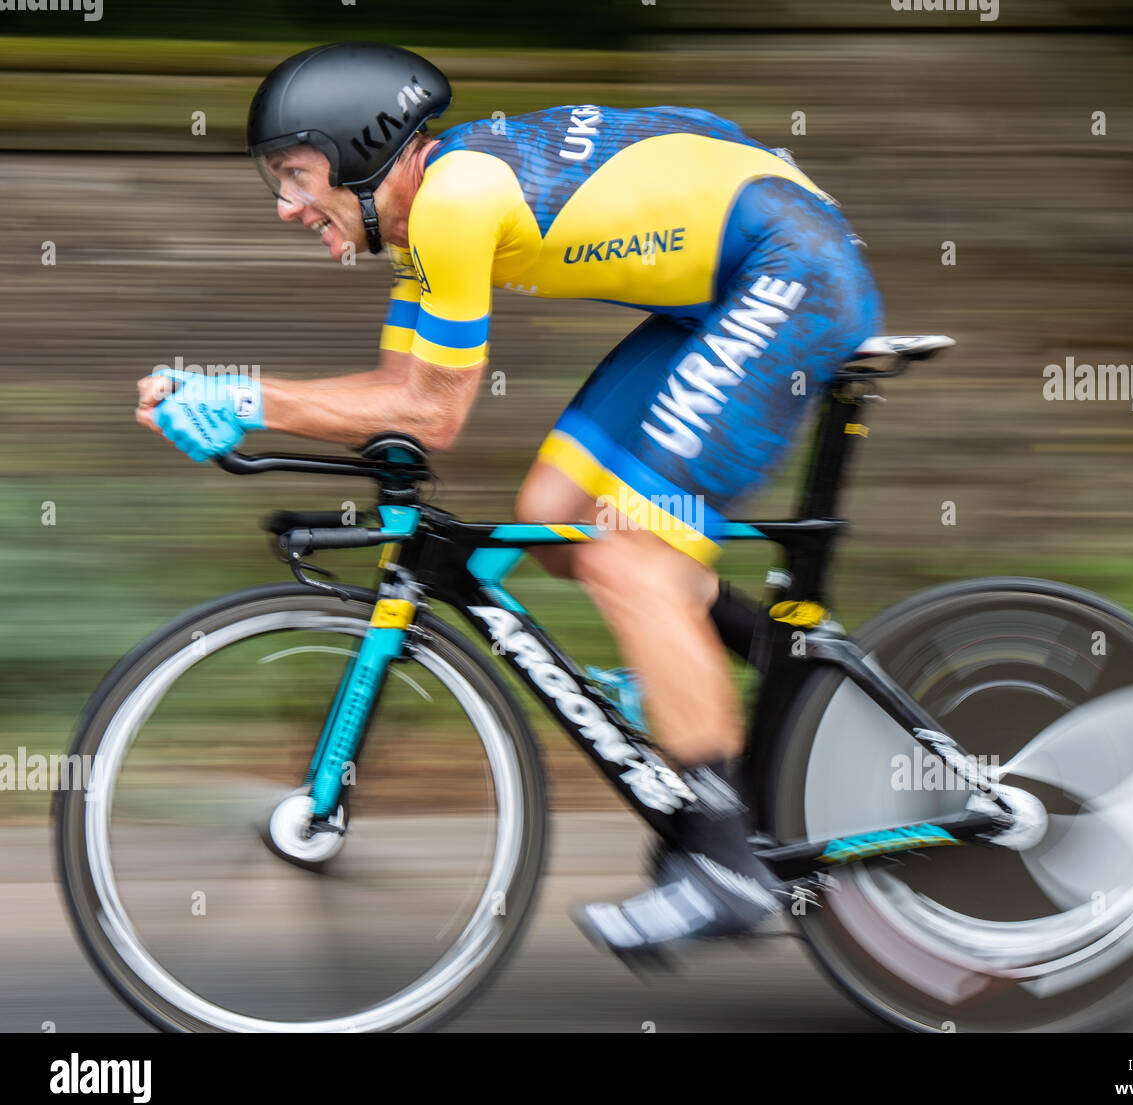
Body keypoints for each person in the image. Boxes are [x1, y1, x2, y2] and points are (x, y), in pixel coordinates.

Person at [135, 42, 883, 960]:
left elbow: (430, 413)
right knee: (555, 518)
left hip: (791, 268)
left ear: (367, 149)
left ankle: (729, 863)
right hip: (725, 286)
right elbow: (395, 394)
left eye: (296, 174)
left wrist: (244, 398)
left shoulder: (454, 203)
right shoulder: (426, 228)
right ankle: (783, 672)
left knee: (627, 554)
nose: (287, 205)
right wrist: (261, 411)